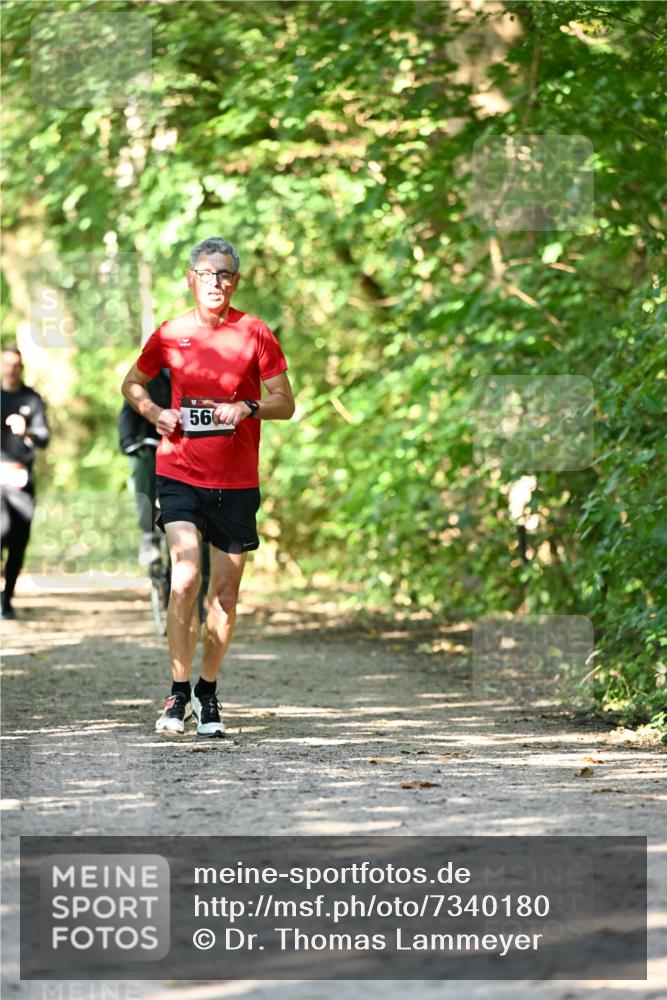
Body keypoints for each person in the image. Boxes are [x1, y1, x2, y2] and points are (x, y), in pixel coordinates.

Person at [121, 237, 295, 736]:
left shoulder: (255, 332)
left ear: (235, 281)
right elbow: (132, 383)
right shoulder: (171, 333)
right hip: (180, 471)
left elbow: (286, 400)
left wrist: (249, 407)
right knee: (185, 577)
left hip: (237, 480)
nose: (215, 282)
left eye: (224, 274)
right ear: (190, 278)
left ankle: (208, 695)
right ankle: (177, 695)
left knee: (224, 594)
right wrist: (156, 413)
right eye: (206, 273)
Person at [1, 345, 50, 620]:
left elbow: (44, 437)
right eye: (7, 365)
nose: (12, 370)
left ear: (21, 367)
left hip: (21, 481)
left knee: (18, 542)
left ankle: (6, 599)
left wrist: (26, 430)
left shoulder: (31, 399)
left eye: (16, 365)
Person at [118, 368, 171, 565]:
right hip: (148, 444)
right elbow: (128, 412)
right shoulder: (147, 379)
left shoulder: (189, 376)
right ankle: (148, 534)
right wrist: (129, 442)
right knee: (143, 472)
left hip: (181, 446)